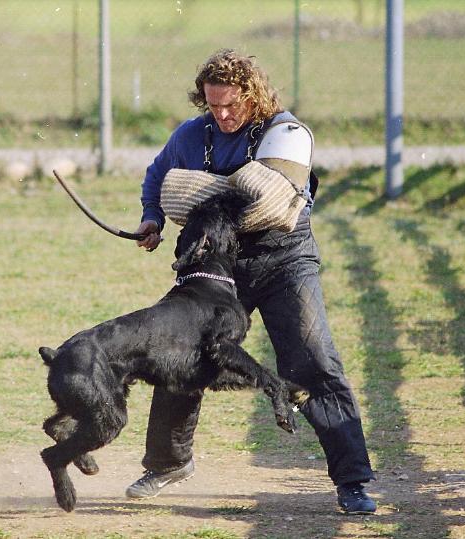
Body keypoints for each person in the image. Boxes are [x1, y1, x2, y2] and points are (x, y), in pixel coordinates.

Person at [129, 48, 376, 514]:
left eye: (230, 105)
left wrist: (195, 193)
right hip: (218, 267)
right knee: (180, 353)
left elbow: (268, 201)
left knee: (313, 362)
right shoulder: (190, 135)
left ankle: (352, 481)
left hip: (284, 259)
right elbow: (160, 175)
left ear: (253, 95)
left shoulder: (285, 132)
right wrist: (153, 217)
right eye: (212, 104)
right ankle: (168, 463)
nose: (220, 114)